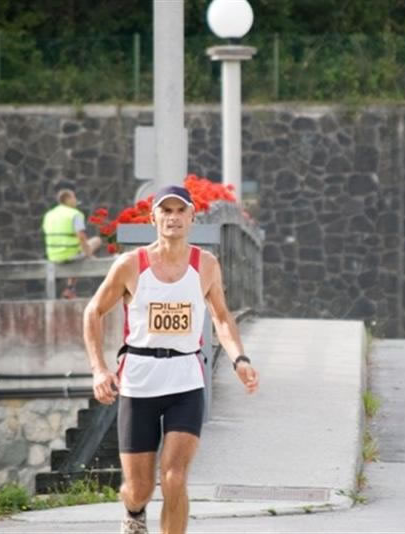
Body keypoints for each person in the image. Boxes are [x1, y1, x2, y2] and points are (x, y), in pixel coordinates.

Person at [82, 185, 259, 534]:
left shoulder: (205, 265)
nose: (173, 217)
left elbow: (222, 317)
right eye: (166, 211)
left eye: (181, 211)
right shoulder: (130, 265)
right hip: (139, 380)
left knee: (175, 477)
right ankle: (133, 512)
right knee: (140, 488)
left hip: (185, 379)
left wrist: (239, 359)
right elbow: (93, 311)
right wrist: (99, 370)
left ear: (192, 217)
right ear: (153, 218)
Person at [42, 188, 102, 298]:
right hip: (69, 254)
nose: (76, 200)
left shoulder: (49, 215)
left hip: (53, 255)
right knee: (96, 241)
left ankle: (70, 289)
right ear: (68, 199)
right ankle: (70, 288)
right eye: (74, 197)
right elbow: (81, 236)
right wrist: (89, 254)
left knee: (80, 254)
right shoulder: (75, 214)